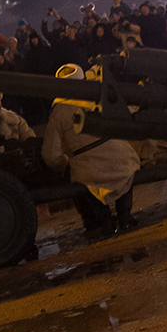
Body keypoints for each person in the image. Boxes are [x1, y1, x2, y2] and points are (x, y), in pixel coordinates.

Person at [43, 64, 140, 238]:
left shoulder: (58, 112)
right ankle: (125, 215)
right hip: (121, 160)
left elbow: (51, 156)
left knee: (82, 179)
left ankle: (103, 222)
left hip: (89, 171)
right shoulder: (100, 97)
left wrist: (65, 164)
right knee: (125, 166)